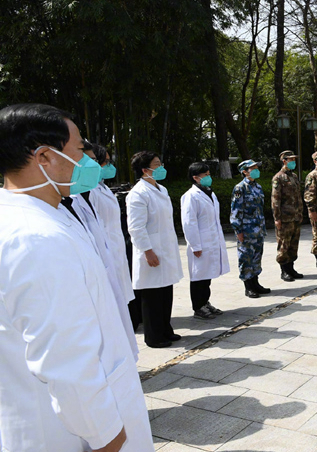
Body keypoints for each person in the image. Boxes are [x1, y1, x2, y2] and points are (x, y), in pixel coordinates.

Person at [0, 103, 153, 452]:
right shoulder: (36, 238)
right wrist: (106, 436)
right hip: (73, 433)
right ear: (44, 157)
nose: (86, 160)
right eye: (80, 150)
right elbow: (66, 360)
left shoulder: (46, 214)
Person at [68, 142, 138, 359]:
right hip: (100, 265)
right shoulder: (78, 197)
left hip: (114, 253)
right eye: (102, 161)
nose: (104, 166)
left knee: (120, 313)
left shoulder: (98, 190)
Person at [127, 150, 183, 348]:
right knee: (152, 296)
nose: (161, 168)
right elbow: (136, 227)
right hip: (151, 251)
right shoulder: (138, 194)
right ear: (145, 170)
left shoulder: (161, 189)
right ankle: (153, 336)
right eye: (157, 164)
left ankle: (165, 329)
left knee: (165, 291)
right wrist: (147, 251)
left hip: (165, 248)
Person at [181, 162, 230, 320]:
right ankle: (198, 307)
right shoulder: (191, 196)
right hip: (200, 243)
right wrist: (195, 245)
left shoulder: (210, 193)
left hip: (211, 241)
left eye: (209, 174)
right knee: (198, 276)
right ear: (196, 177)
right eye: (205, 175)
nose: (209, 177)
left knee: (207, 275)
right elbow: (189, 222)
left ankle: (205, 302)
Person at [230, 159, 269, 298]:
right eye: (253, 168)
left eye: (257, 167)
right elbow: (236, 211)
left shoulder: (257, 187)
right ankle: (248, 287)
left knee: (257, 257)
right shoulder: (240, 188)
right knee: (246, 258)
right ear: (245, 172)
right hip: (246, 230)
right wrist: (238, 230)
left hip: (258, 229)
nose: (256, 170)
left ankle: (255, 283)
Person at [271, 150, 304, 282]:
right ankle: (284, 270)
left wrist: (300, 213)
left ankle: (291, 268)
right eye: (291, 160)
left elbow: (298, 197)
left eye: (294, 160)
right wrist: (277, 218)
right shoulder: (278, 178)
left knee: (293, 244)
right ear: (284, 161)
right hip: (285, 218)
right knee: (284, 244)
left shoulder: (294, 176)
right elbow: (275, 200)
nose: (293, 162)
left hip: (295, 217)